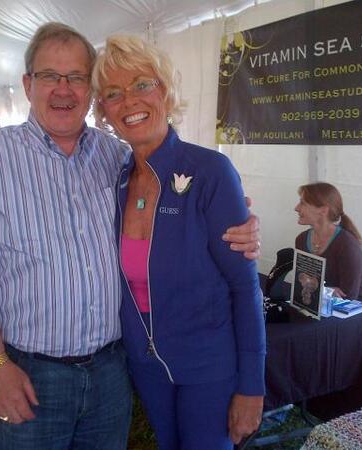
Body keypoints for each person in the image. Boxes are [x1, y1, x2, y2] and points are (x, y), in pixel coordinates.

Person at [0, 22, 260, 450]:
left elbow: (205, 237)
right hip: (31, 374)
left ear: (90, 93)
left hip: (112, 373)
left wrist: (239, 218)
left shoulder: (116, 157)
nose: (63, 89)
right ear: (28, 84)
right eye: (50, 76)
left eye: (77, 77)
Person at [91, 35, 265, 449]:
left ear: (166, 92)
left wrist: (252, 386)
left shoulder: (211, 171)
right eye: (113, 93)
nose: (129, 101)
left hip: (208, 365)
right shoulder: (114, 179)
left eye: (142, 84)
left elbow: (245, 287)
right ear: (104, 111)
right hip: (145, 364)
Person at [294, 182, 362, 306]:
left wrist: (319, 290)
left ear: (323, 210)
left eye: (303, 203)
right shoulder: (301, 239)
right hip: (320, 305)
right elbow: (302, 281)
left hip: (355, 309)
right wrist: (327, 291)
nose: (296, 208)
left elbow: (347, 297)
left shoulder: (347, 245)